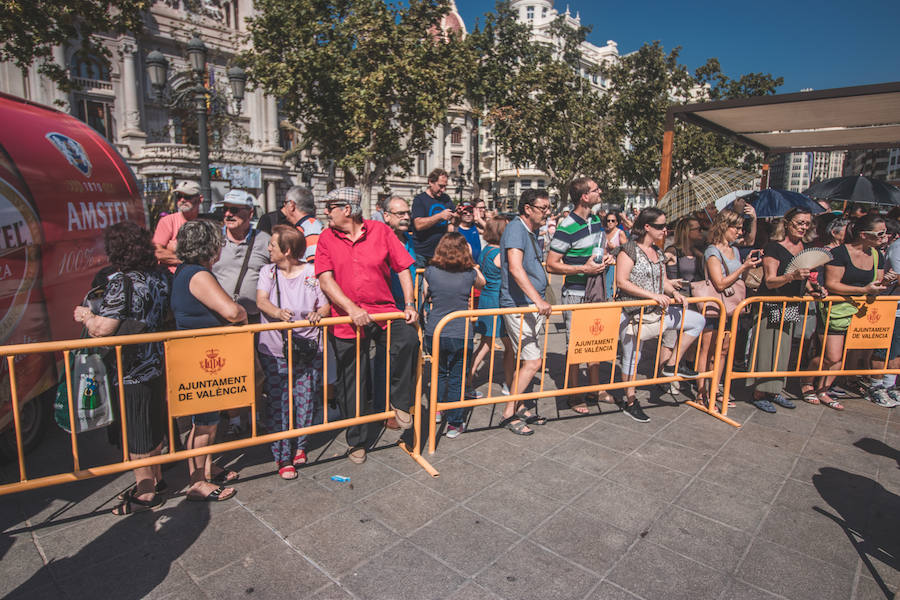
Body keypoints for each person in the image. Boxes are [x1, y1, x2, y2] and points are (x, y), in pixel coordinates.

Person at [315, 187, 419, 464]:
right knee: (352, 381)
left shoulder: (380, 231)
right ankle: (357, 441)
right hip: (347, 317)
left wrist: (409, 304)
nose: (326, 212)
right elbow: (325, 279)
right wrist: (351, 309)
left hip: (383, 311)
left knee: (408, 339)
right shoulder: (326, 237)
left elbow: (403, 268)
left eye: (330, 207)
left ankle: (400, 401)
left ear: (346, 210)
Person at [73, 222, 171, 515]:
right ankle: (157, 479)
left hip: (129, 366)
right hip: (155, 360)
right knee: (152, 422)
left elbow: (104, 329)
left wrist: (87, 316)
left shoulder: (122, 281)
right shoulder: (158, 276)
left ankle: (145, 491)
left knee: (137, 429)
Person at [171, 219, 247, 501]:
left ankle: (205, 466)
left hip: (201, 354)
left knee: (207, 421)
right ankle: (197, 481)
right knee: (204, 423)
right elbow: (231, 312)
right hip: (200, 357)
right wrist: (241, 311)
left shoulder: (187, 271)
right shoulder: (197, 274)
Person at [615, 207, 705, 422]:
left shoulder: (658, 252)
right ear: (647, 227)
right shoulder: (628, 250)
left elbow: (661, 280)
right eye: (660, 226)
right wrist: (651, 295)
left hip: (657, 312)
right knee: (631, 358)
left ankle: (673, 364)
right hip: (632, 312)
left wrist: (674, 292)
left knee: (697, 320)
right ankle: (630, 400)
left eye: (665, 226)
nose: (665, 230)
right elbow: (621, 281)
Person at [256, 226, 330, 479]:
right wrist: (277, 314)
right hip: (275, 349)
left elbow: (325, 305)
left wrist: (318, 313)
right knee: (279, 404)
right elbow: (261, 301)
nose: (268, 249)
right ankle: (282, 456)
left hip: (308, 349)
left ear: (286, 250)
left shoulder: (311, 273)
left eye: (273, 245)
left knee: (305, 400)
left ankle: (300, 444)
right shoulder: (268, 272)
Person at [546, 177, 615, 414]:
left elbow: (600, 249)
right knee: (576, 346)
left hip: (596, 290)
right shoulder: (566, 227)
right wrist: (582, 269)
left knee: (595, 342)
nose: (600, 191)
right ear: (585, 196)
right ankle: (574, 394)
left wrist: (607, 257)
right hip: (575, 293)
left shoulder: (596, 220)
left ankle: (596, 388)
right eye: (596, 190)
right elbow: (552, 264)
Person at [747, 208, 818, 413]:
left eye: (807, 223)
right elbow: (769, 281)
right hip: (771, 303)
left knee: (783, 346)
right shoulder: (774, 247)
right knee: (766, 346)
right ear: (787, 223)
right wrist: (792, 277)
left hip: (791, 303)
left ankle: (775, 389)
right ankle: (759, 392)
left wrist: (815, 290)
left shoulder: (806, 249)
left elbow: (808, 280)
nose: (803, 227)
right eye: (799, 223)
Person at [815, 213, 887, 410]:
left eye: (885, 233)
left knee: (842, 357)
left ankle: (823, 388)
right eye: (879, 233)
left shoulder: (877, 255)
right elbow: (832, 284)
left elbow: (877, 282)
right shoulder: (839, 253)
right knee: (832, 357)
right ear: (863, 234)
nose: (884, 237)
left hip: (862, 313)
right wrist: (863, 290)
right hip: (837, 310)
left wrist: (885, 283)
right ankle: (814, 386)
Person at [498, 189, 553, 436]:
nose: (547, 212)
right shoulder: (516, 229)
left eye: (548, 208)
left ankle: (519, 405)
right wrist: (538, 299)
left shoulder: (529, 230)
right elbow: (515, 268)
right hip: (519, 305)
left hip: (528, 305)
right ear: (528, 208)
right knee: (533, 361)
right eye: (543, 208)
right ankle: (509, 411)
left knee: (527, 359)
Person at [423, 233, 486, 438]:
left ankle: (438, 410)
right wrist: (473, 263)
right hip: (461, 332)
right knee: (457, 377)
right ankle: (455, 422)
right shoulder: (469, 273)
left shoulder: (430, 271)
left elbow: (424, 295)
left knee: (438, 374)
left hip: (435, 330)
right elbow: (482, 283)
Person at [698, 209, 762, 408]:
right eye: (737, 228)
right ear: (725, 227)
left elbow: (751, 240)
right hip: (715, 306)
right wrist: (743, 268)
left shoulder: (734, 248)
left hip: (731, 307)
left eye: (742, 228)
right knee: (706, 351)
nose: (740, 232)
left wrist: (754, 218)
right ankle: (701, 394)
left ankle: (715, 390)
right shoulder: (712, 251)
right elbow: (719, 283)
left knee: (723, 350)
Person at [378, 195, 417, 429]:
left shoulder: (410, 240)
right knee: (385, 361)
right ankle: (384, 411)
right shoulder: (379, 239)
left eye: (407, 213)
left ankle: (402, 406)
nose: (405, 217)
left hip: (409, 309)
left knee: (408, 358)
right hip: (386, 310)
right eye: (399, 213)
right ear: (386, 216)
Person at [211, 189, 272, 325]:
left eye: (234, 210)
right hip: (219, 318)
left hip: (254, 319)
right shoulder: (213, 240)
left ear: (250, 213)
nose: (228, 214)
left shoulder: (264, 240)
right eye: (225, 210)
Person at [470, 216, 515, 395]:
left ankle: (468, 379)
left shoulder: (486, 250)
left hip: (487, 299)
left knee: (486, 342)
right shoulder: (500, 255)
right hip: (498, 301)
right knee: (504, 345)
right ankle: (508, 383)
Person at [257, 186, 323, 261]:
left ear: (292, 205)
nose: (283, 207)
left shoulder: (311, 228)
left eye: (285, 203)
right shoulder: (304, 226)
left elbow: (313, 263)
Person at [153, 180, 203, 272]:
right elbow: (157, 252)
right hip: (172, 278)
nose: (182, 200)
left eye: (187, 197)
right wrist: (188, 260)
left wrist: (173, 251)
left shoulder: (206, 224)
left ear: (200, 199)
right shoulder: (167, 221)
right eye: (179, 197)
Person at [411, 168, 456, 270]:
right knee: (420, 285)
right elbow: (418, 225)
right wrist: (439, 216)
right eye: (440, 186)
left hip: (441, 253)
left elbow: (454, 222)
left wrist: (457, 216)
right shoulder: (420, 200)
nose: (443, 190)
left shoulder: (446, 199)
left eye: (445, 186)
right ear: (431, 182)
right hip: (421, 253)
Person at [603, 211, 628, 298]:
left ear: (617, 222)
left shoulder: (620, 233)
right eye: (608, 220)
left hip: (615, 264)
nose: (610, 222)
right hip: (604, 263)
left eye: (613, 221)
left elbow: (627, 249)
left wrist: (614, 248)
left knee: (609, 287)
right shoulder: (605, 232)